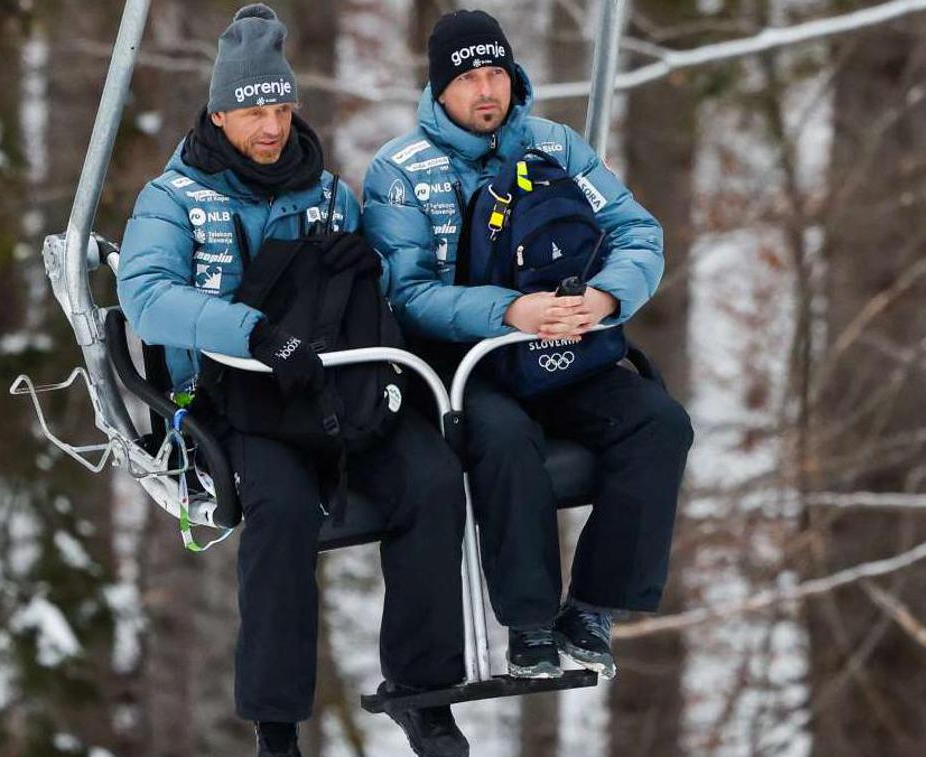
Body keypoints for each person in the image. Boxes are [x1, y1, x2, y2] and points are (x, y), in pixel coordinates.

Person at [117, 6, 471, 756]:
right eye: (253, 112)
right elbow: (145, 295)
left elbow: (370, 294)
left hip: (330, 389)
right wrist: (251, 333)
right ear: (219, 114)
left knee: (434, 479)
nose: (272, 127)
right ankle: (276, 724)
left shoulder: (327, 192)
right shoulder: (176, 199)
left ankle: (424, 690)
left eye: (281, 108)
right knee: (280, 511)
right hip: (232, 401)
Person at [362, 9, 693, 681]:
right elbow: (407, 293)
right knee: (507, 440)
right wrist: (509, 310)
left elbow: (638, 232)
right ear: (439, 90)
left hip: (568, 347)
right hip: (464, 366)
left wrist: (603, 299)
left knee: (660, 423)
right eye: (469, 80)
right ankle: (532, 619)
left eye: (496, 75)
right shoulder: (400, 172)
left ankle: (594, 605)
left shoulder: (557, 146)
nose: (487, 91)